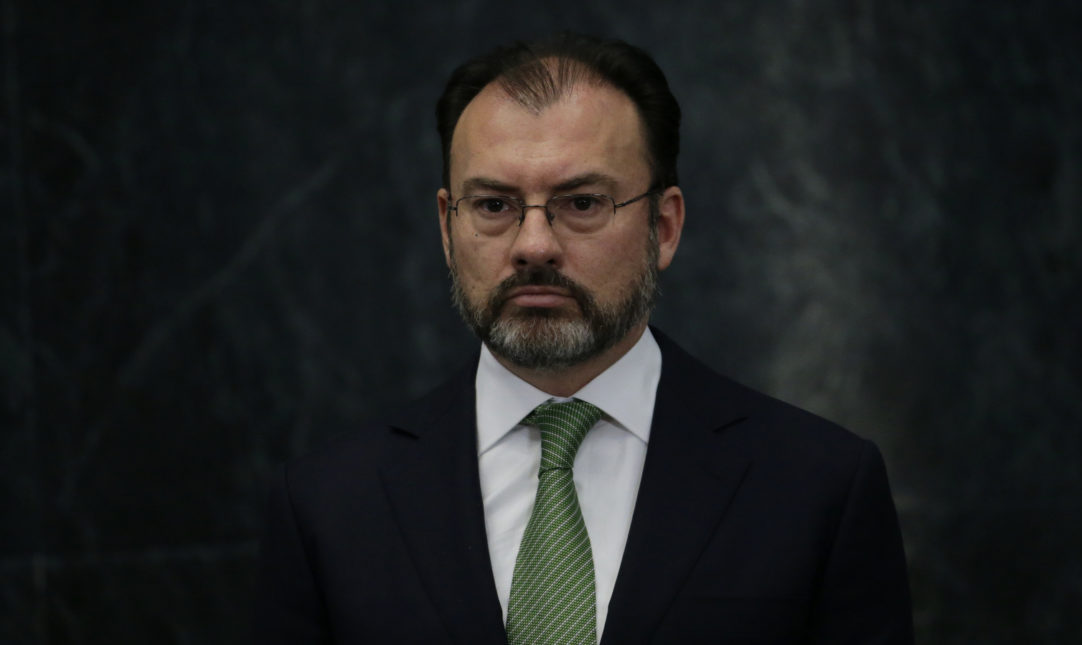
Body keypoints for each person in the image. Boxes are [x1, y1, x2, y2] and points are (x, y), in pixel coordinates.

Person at [255, 33, 914, 644]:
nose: (534, 244)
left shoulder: (817, 486)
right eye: (492, 205)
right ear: (446, 226)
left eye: (582, 203)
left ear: (664, 226)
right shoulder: (329, 504)